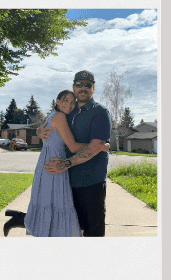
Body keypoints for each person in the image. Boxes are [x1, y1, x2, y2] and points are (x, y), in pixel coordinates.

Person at [4, 90, 110, 236]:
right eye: (66, 100)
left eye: (73, 102)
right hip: (55, 165)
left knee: (51, 205)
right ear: (58, 101)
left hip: (48, 163)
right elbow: (72, 146)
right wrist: (99, 146)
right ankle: (21, 219)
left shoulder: (54, 115)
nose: (70, 105)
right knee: (56, 206)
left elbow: (43, 130)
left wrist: (38, 129)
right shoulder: (60, 117)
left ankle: (19, 218)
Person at [35, 70, 113, 237]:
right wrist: (38, 130)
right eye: (79, 84)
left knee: (93, 233)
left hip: (91, 183)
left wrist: (67, 163)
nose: (83, 88)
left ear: (93, 88)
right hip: (65, 182)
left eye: (87, 85)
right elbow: (50, 126)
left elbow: (94, 147)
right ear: (73, 87)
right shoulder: (67, 112)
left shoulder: (100, 112)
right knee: (68, 230)